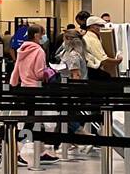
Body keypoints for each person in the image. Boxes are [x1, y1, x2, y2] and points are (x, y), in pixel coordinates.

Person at [9, 19, 58, 165]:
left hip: (24, 88)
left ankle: (42, 151)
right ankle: (17, 150)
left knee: (35, 120)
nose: (44, 37)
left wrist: (13, 85)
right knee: (32, 122)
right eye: (43, 34)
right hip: (35, 88)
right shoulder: (39, 51)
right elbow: (38, 73)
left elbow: (16, 69)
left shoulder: (22, 49)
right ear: (36, 35)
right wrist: (51, 72)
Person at [57, 25, 89, 157]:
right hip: (73, 88)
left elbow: (75, 75)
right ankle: (70, 141)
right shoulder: (76, 53)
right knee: (67, 116)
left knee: (67, 116)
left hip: (71, 89)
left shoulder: (73, 55)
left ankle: (86, 137)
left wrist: (73, 92)